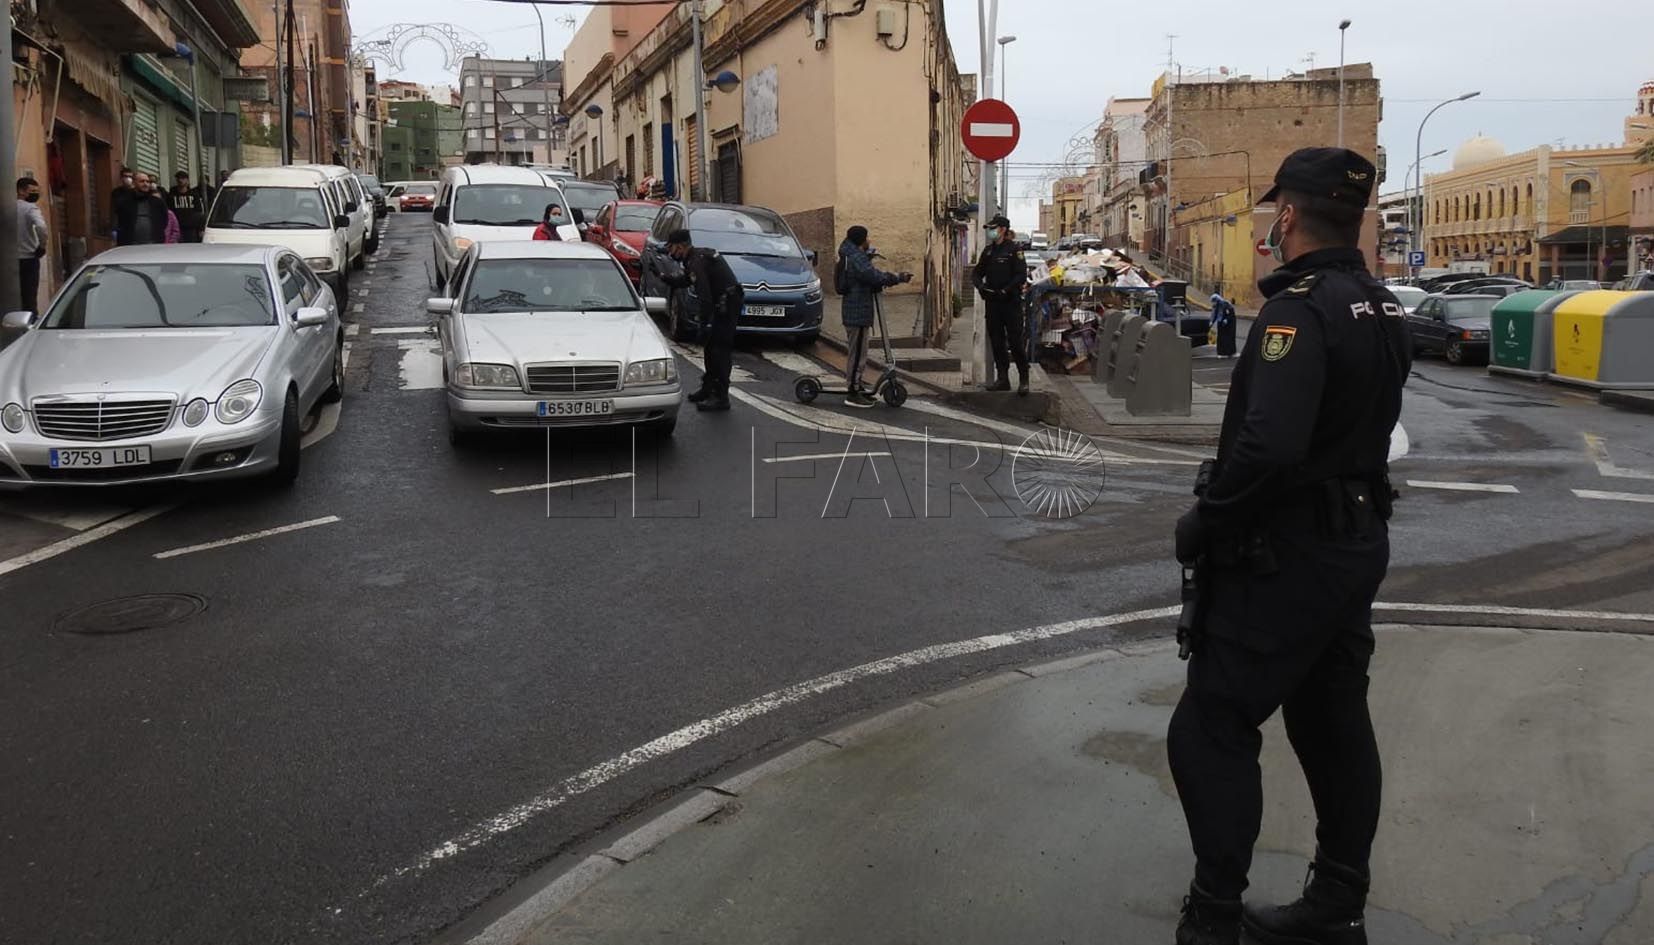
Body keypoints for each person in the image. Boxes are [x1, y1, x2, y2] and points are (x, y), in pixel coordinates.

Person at [1167, 147, 1409, 945]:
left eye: (1277, 210)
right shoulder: (1378, 305)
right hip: (1354, 543)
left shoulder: (1295, 311)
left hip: (1288, 554)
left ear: (1291, 215)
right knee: (1332, 717)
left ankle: (1213, 915)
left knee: (1212, 723)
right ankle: (1337, 902)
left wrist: (1208, 522)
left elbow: (1268, 449)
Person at [650, 228, 744, 412]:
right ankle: (707, 388)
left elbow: (705, 297)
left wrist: (703, 325)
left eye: (672, 248)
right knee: (710, 349)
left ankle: (721, 397)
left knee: (719, 350)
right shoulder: (695, 258)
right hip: (723, 302)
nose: (671, 253)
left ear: (681, 246)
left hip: (727, 304)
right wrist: (663, 276)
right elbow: (685, 281)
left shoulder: (697, 261)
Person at [836, 226, 911, 408]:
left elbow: (865, 273)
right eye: (867, 237)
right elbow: (872, 276)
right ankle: (852, 393)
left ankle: (857, 384)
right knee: (857, 355)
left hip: (856, 311)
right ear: (862, 240)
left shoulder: (852, 254)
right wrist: (897, 278)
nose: (869, 240)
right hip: (857, 312)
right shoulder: (856, 257)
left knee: (860, 353)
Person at [972, 213, 1030, 394]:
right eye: (989, 228)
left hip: (1010, 303)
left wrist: (1007, 289)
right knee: (997, 342)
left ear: (1003, 229)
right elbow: (976, 273)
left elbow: (1021, 274)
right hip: (993, 303)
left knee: (1015, 342)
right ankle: (1003, 379)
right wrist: (981, 287)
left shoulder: (1014, 249)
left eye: (993, 228)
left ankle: (1024, 380)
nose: (990, 231)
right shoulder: (988, 251)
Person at [16, 177, 47, 317]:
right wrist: (42, 245)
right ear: (21, 191)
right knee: (29, 299)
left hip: (8, 260)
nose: (35, 194)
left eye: (36, 191)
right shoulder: (30, 208)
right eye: (31, 191)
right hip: (28, 259)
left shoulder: (8, 206)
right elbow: (41, 226)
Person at [115, 172, 170, 246]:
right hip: (130, 244)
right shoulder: (124, 201)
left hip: (153, 243)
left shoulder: (158, 202)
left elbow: (164, 220)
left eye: (147, 182)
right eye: (142, 181)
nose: (145, 184)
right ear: (134, 183)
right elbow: (119, 220)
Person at [165, 171, 208, 243]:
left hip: (191, 228)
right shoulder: (172, 195)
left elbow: (199, 212)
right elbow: (169, 211)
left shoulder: (194, 194)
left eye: (183, 178)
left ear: (187, 180)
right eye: (178, 178)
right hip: (177, 228)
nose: (180, 180)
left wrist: (201, 228)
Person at [1210, 291, 1238, 358]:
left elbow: (1231, 314)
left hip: (1229, 324)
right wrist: (1211, 321)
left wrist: (1226, 319)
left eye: (1214, 301)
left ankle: (1230, 353)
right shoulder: (1216, 306)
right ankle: (1221, 352)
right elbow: (1214, 314)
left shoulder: (1226, 304)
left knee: (1229, 338)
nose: (1214, 303)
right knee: (1220, 338)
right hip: (1221, 323)